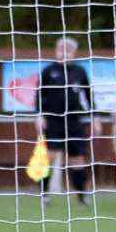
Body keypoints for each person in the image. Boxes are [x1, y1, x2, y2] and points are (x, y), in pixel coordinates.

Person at [33, 37, 93, 206]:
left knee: (78, 159)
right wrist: (39, 115)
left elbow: (88, 95)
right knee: (49, 156)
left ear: (74, 53)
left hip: (74, 121)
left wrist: (93, 117)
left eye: (68, 50)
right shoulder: (48, 71)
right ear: (56, 50)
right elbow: (39, 94)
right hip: (52, 120)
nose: (64, 53)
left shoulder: (79, 71)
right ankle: (44, 194)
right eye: (61, 49)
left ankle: (82, 195)